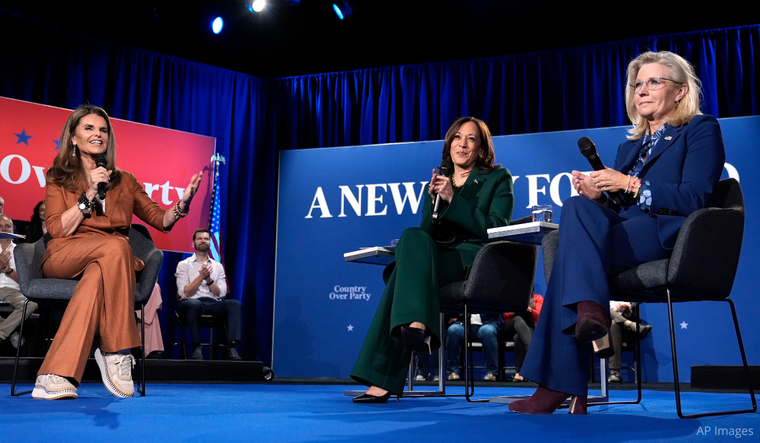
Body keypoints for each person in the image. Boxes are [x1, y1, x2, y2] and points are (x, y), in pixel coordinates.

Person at [510, 51, 726, 415]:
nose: (642, 90)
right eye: (638, 83)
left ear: (680, 92)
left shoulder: (700, 129)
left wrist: (629, 183)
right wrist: (600, 197)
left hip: (667, 236)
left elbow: (695, 197)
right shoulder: (631, 145)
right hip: (627, 235)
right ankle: (590, 313)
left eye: (654, 81)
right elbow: (618, 211)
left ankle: (558, 381)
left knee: (568, 261)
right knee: (578, 207)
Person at [31, 104, 202, 400]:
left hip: (109, 262)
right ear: (73, 137)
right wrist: (87, 196)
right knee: (116, 245)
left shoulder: (125, 181)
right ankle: (117, 349)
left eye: (103, 129)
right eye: (88, 128)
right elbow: (58, 230)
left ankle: (53, 374)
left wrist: (182, 205)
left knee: (102, 267)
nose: (97, 134)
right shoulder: (58, 176)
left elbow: (160, 220)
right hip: (65, 254)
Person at [350, 116, 514, 403]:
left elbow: (494, 228)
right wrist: (434, 203)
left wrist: (454, 200)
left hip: (471, 262)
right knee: (411, 236)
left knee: (402, 278)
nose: (462, 144)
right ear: (449, 143)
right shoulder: (439, 180)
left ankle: (381, 377)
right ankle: (417, 326)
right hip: (436, 258)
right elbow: (425, 235)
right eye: (457, 137)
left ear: (481, 147)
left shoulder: (498, 178)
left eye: (471, 139)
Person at [175, 228, 242, 360]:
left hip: (212, 303)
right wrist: (201, 277)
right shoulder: (183, 265)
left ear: (210, 243)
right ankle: (196, 348)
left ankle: (232, 348)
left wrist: (209, 280)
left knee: (234, 304)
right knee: (194, 304)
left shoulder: (218, 266)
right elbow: (184, 293)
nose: (203, 241)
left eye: (206, 239)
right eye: (199, 238)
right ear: (193, 243)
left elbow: (221, 293)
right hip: (191, 303)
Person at [0, 214, 39, 349]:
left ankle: (1, 333)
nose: (4, 228)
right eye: (0, 226)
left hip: (14, 291)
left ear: (13, 229)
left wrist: (8, 271)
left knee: (31, 304)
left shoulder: (21, 251)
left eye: (7, 226)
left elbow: (26, 281)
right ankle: (10, 332)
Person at [500, 293, 543, 382]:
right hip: (510, 327)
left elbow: (540, 315)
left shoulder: (537, 298)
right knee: (518, 319)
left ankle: (519, 373)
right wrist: (513, 311)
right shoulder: (510, 297)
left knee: (518, 337)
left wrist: (530, 310)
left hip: (528, 328)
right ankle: (532, 351)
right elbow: (504, 315)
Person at [445, 314, 501, 381]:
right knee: (453, 330)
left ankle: (492, 372)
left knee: (488, 331)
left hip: (487, 322)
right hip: (464, 323)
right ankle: (452, 371)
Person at [608, 301, 652, 383]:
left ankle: (615, 373)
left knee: (613, 323)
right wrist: (616, 310)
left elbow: (634, 316)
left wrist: (627, 311)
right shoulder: (600, 294)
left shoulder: (627, 292)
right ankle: (631, 325)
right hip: (603, 330)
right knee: (602, 309)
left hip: (626, 331)